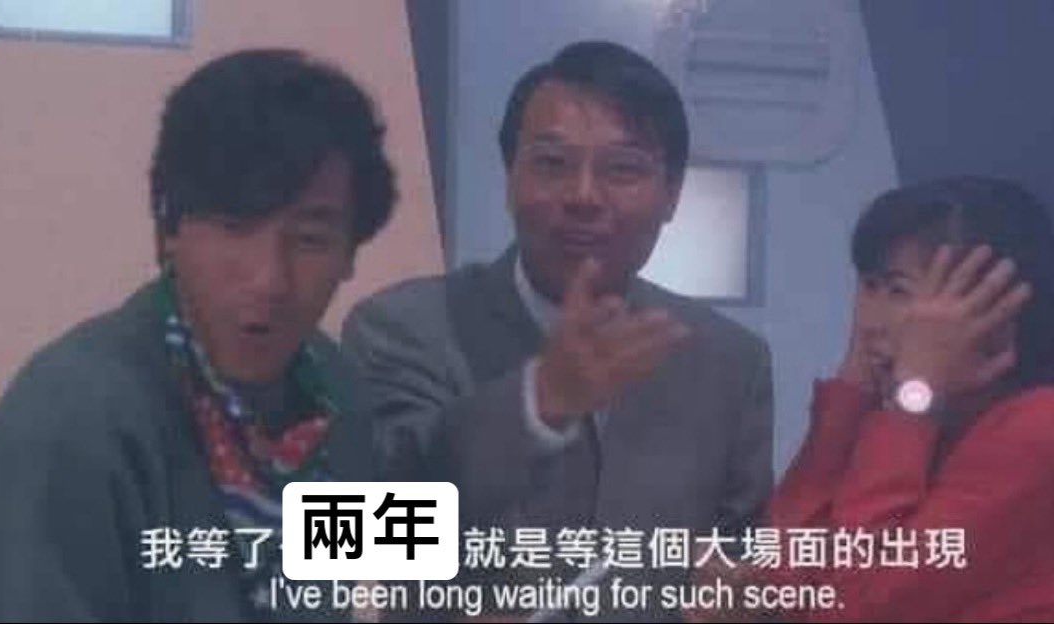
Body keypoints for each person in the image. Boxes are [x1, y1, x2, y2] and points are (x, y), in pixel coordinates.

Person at [330, 40, 773, 620]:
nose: (583, 196)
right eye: (551, 163)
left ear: (672, 196)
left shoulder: (727, 360)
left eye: (622, 169)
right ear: (509, 177)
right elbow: (348, 539)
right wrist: (538, 404)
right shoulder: (401, 329)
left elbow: (742, 564)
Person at [0, 48, 397, 622]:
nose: (269, 279)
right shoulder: (67, 421)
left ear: (350, 254)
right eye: (234, 227)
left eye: (310, 240)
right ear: (169, 229)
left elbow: (356, 593)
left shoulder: (337, 392)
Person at [689, 176, 1054, 622]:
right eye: (870, 286)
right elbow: (782, 574)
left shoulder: (1049, 423)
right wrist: (852, 389)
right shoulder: (911, 423)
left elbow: (854, 607)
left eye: (898, 290)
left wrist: (911, 400)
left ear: (990, 303)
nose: (870, 322)